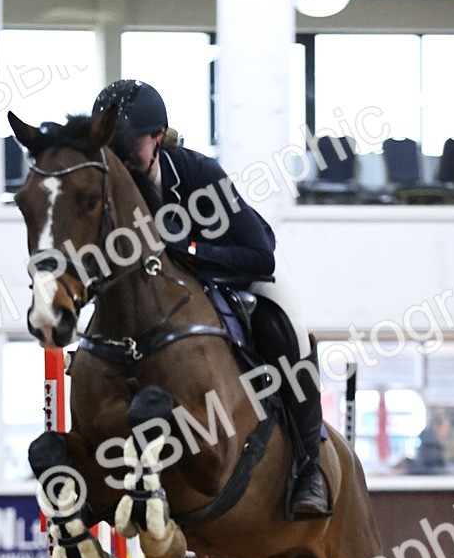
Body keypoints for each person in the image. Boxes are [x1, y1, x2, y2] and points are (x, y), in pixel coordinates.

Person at [90, 78, 331, 518]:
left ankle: (309, 465)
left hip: (237, 270)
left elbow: (260, 254)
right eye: (108, 146)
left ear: (157, 138)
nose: (118, 158)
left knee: (288, 329)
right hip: (168, 295)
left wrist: (194, 253)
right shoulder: (110, 191)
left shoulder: (199, 175)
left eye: (126, 145)